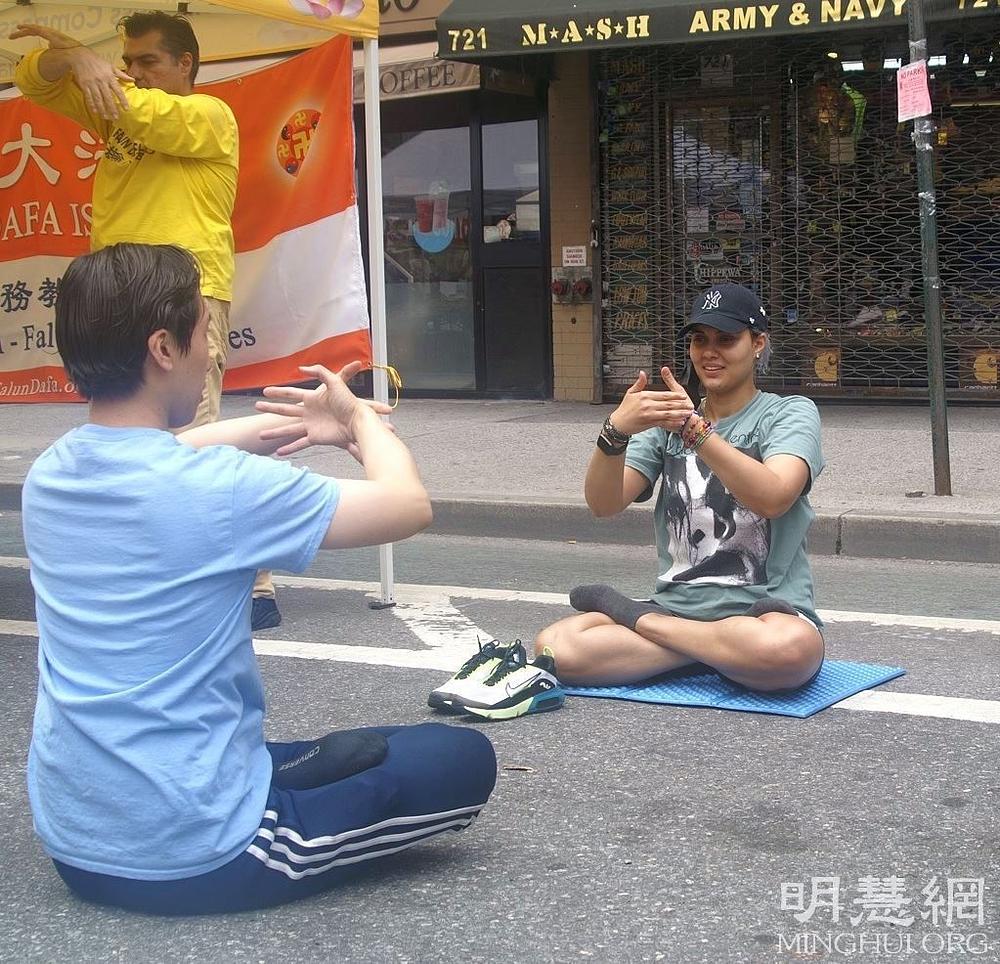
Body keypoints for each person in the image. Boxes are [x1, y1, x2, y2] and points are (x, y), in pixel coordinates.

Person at [21, 243, 496, 915]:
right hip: (201, 853)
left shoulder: (51, 475)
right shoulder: (218, 489)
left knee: (372, 747)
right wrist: (360, 420)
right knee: (461, 757)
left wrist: (288, 423)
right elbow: (407, 505)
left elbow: (162, 454)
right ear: (163, 348)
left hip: (75, 839)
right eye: (203, 332)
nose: (212, 353)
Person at [11, 13, 281, 631]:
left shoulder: (210, 115)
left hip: (185, 296)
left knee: (193, 437)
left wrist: (87, 62)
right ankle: (166, 570)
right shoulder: (119, 109)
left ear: (186, 64)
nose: (132, 73)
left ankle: (252, 585)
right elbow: (35, 82)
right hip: (119, 294)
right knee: (131, 435)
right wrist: (69, 60)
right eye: (127, 62)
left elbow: (144, 114)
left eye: (148, 61)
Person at [536, 283, 825, 693]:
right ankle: (716, 651)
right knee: (557, 646)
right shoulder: (668, 423)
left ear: (758, 343)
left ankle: (642, 621)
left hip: (764, 613)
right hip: (677, 609)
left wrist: (697, 432)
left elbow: (774, 497)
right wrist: (614, 431)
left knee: (790, 650)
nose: (710, 352)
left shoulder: (789, 413)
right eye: (700, 340)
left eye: (726, 339)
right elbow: (603, 503)